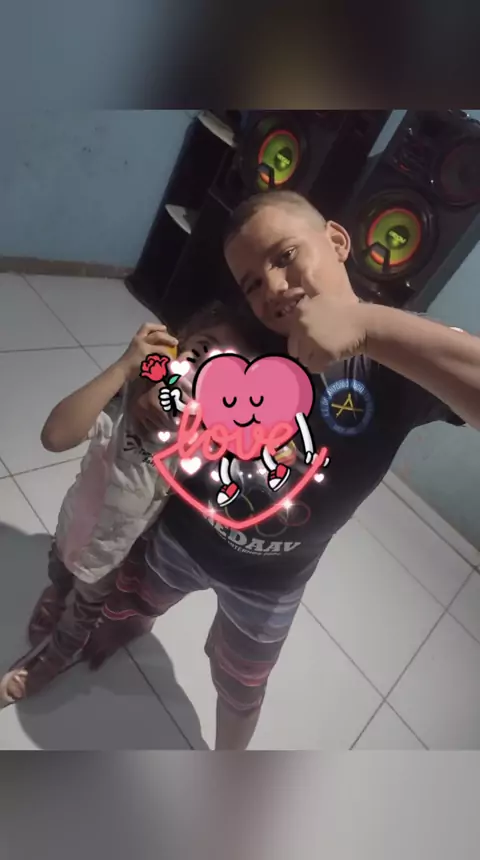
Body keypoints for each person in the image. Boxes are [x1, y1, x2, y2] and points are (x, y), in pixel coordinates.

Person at [85, 190, 480, 750]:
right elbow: (173, 359)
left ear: (337, 241)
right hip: (183, 536)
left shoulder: (396, 357)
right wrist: (153, 384)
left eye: (285, 255)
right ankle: (121, 631)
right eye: (251, 283)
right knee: (136, 598)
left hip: (272, 582)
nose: (271, 287)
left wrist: (368, 327)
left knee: (240, 683)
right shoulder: (246, 334)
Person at [0, 306, 244, 704]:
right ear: (176, 346)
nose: (199, 378)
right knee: (58, 571)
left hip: (111, 558)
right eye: (201, 352)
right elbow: (55, 436)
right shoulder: (125, 402)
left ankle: (56, 656)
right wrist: (124, 368)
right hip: (70, 526)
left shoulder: (204, 442)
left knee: (82, 614)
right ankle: (56, 595)